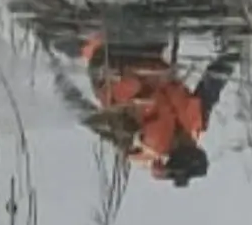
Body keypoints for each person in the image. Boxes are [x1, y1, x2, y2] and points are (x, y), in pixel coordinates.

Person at [79, 31, 241, 187]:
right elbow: (213, 82)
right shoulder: (197, 120)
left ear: (172, 151)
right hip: (148, 54)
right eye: (191, 143)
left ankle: (82, 41)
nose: (185, 139)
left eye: (180, 145)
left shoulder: (141, 144)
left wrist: (72, 98)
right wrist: (234, 51)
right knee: (155, 25)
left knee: (99, 36)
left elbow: (97, 122)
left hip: (112, 66)